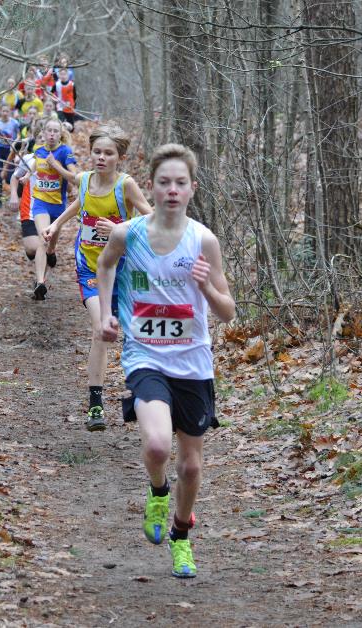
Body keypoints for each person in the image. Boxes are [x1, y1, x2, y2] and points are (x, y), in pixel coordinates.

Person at [96, 144, 235, 578]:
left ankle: (181, 535)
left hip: (193, 362)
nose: (172, 190)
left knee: (191, 466)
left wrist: (207, 290)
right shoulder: (129, 234)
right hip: (145, 356)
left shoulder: (202, 240)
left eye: (180, 183)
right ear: (151, 187)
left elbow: (228, 310)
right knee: (157, 444)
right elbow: (104, 266)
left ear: (192, 189)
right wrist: (106, 314)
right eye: (164, 182)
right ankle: (158, 493)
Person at [42, 125, 153, 431]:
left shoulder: (126, 185)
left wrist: (121, 228)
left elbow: (150, 216)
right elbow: (81, 203)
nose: (101, 158)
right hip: (90, 267)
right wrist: (57, 224)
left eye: (108, 153)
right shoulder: (85, 179)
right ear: (90, 153)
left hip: (127, 269)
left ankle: (143, 396)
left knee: (133, 333)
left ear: (121, 157)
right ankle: (95, 405)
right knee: (99, 328)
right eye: (97, 152)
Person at [29, 118, 78, 300]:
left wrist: (56, 165)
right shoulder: (38, 150)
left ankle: (51, 252)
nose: (51, 134)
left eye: (55, 131)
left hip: (58, 206)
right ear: (43, 132)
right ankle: (40, 283)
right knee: (43, 238)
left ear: (60, 134)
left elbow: (75, 178)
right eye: (48, 130)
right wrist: (27, 175)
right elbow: (35, 163)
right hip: (40, 203)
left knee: (50, 245)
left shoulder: (65, 152)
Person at [8, 130, 42, 267]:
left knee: (43, 246)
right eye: (40, 138)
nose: (44, 141)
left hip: (51, 208)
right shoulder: (29, 159)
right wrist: (14, 195)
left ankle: (41, 282)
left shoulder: (59, 160)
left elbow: (68, 187)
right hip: (30, 208)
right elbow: (15, 177)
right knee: (32, 248)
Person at [0, 103, 21, 209]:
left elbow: (19, 134)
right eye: (3, 111)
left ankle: (13, 197)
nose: (5, 113)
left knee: (10, 177)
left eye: (7, 111)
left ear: (10, 112)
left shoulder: (14, 123)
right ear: (0, 112)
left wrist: (15, 143)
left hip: (10, 150)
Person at [52, 67, 77, 132]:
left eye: (64, 74)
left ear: (68, 75)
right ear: (59, 75)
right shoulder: (57, 84)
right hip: (60, 106)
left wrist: (73, 106)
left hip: (69, 107)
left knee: (71, 125)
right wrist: (55, 99)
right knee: (60, 123)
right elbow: (50, 93)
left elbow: (75, 96)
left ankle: (70, 137)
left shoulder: (72, 84)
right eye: (61, 74)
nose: (63, 76)